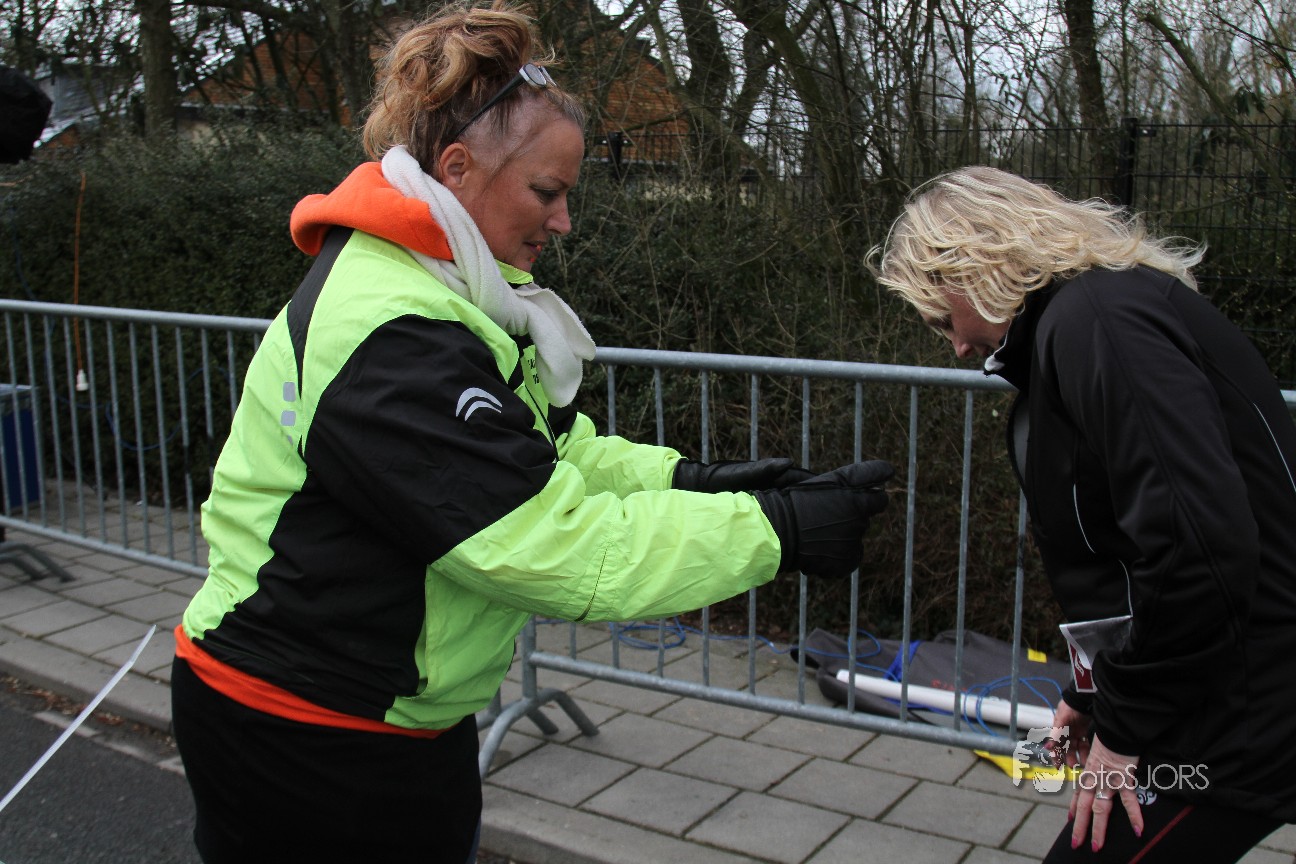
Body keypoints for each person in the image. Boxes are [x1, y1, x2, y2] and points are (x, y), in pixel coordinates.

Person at [170, 4, 892, 863]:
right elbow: (547, 544)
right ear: (458, 167)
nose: (563, 222)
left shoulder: (444, 289)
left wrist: (694, 482)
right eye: (547, 192)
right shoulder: (393, 331)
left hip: (383, 713)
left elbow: (549, 452)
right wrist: (777, 531)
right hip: (305, 725)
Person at [875, 165, 1296, 863]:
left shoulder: (1097, 321)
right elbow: (1140, 549)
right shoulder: (1092, 318)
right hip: (1219, 686)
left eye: (944, 319)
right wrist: (1094, 690)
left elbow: (1199, 546)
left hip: (1239, 704)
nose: (957, 346)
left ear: (975, 267)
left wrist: (1124, 725)